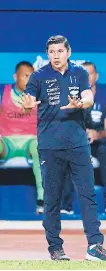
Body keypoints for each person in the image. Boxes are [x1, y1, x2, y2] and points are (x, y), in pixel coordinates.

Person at [20, 35, 106, 261]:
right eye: (51, 52)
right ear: (47, 54)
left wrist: (82, 103)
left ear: (68, 52)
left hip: (78, 144)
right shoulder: (39, 76)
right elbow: (28, 100)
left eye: (60, 51)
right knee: (52, 198)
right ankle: (55, 247)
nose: (56, 56)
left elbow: (88, 96)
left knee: (88, 194)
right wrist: (26, 105)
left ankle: (95, 245)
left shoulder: (80, 73)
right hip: (49, 146)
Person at [61, 61, 106, 216]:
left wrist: (96, 134)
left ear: (96, 76)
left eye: (90, 73)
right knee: (66, 154)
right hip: (77, 142)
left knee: (105, 154)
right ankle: (66, 205)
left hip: (99, 142)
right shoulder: (71, 98)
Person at [0, 61, 44, 214]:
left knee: (40, 148)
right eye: (25, 76)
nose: (29, 80)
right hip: (6, 142)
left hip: (30, 142)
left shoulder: (41, 96)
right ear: (15, 76)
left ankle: (42, 199)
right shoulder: (2, 92)